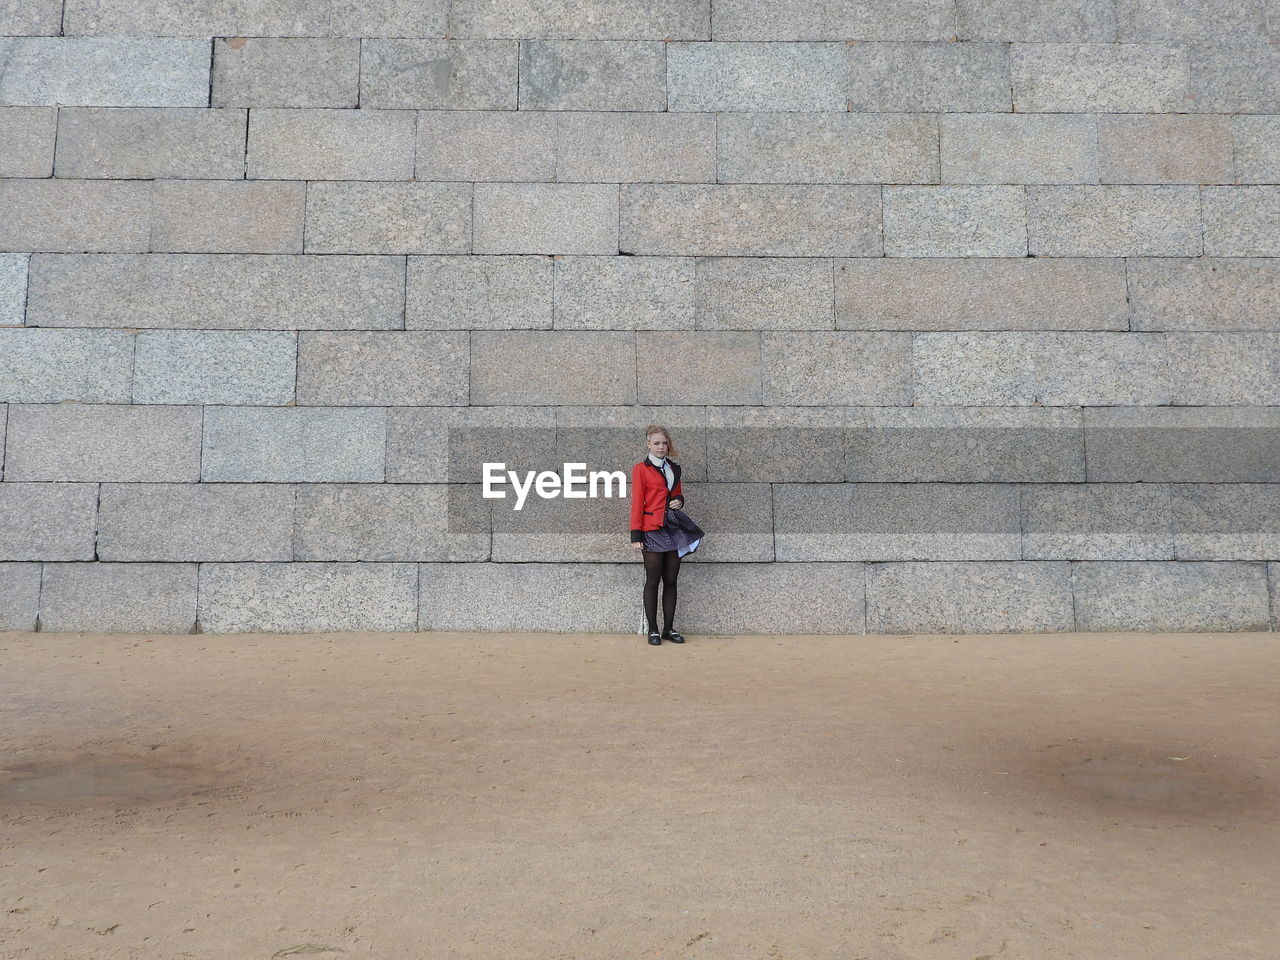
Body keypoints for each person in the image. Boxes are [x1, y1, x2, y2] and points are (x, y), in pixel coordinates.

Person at [629, 424, 691, 646]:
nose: (661, 447)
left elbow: (677, 493)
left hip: (672, 528)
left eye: (664, 443)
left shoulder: (674, 468)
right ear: (648, 444)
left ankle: (669, 629)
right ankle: (653, 630)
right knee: (653, 580)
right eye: (656, 443)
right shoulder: (641, 469)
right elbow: (637, 501)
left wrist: (680, 500)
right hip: (651, 529)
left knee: (671, 580)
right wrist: (636, 534)